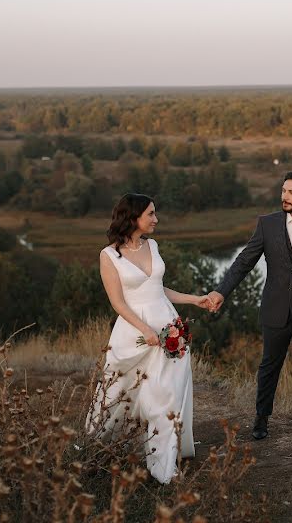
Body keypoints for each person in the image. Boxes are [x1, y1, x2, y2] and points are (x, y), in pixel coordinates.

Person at [207, 171, 292, 454]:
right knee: (270, 365)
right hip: (276, 306)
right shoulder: (267, 225)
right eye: (283, 191)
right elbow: (244, 261)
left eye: (291, 192)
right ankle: (261, 416)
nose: (284, 197)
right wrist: (221, 291)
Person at [86, 193, 212, 483]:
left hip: (169, 330)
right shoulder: (109, 256)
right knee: (116, 392)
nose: (156, 219)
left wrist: (195, 299)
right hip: (134, 334)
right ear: (133, 218)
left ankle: (164, 466)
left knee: (166, 395)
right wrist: (145, 330)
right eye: (151, 214)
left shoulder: (152, 245)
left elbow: (158, 289)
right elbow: (118, 302)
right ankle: (94, 451)